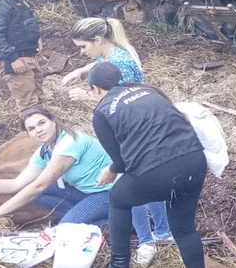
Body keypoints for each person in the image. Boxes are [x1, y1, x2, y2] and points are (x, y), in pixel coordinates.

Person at [62, 17, 171, 266]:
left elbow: (119, 102)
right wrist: (80, 71)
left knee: (129, 189)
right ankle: (162, 230)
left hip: (131, 134)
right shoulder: (112, 55)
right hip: (137, 130)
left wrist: (86, 96)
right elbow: (99, 65)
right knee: (149, 183)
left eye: (83, 47)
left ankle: (146, 241)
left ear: (98, 40)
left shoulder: (120, 63)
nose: (82, 52)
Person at [87, 62, 207, 268]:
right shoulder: (149, 91)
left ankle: (119, 263)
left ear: (95, 88)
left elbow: (121, 163)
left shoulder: (102, 112)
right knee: (185, 229)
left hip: (157, 169)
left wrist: (110, 171)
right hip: (194, 160)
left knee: (118, 199)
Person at [0, 107, 113, 226]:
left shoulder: (69, 143)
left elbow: (39, 186)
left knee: (67, 227)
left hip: (108, 192)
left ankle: (117, 220)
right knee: (28, 191)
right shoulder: (44, 152)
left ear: (53, 121)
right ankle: (82, 211)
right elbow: (16, 184)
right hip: (83, 190)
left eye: (42, 123)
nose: (39, 130)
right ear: (28, 134)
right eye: (32, 128)